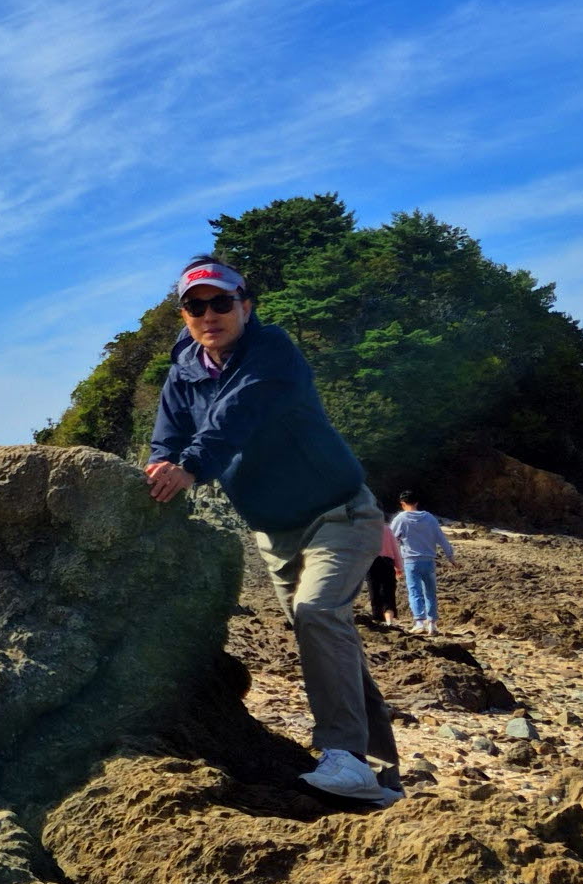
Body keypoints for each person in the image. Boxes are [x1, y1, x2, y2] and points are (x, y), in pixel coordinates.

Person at [145, 255, 401, 807]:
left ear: (245, 305)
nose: (209, 315)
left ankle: (344, 756)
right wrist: (160, 468)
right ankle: (379, 775)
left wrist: (191, 467)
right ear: (184, 315)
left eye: (221, 302)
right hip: (273, 532)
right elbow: (167, 436)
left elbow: (235, 416)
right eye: (195, 306)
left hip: (339, 513)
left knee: (317, 612)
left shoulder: (272, 351)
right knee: (326, 637)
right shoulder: (184, 369)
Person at [390, 489, 457, 635]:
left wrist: (393, 561)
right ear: (417, 502)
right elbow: (441, 539)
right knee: (430, 593)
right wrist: (450, 557)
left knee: (415, 592)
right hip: (429, 561)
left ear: (402, 503)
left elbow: (392, 539)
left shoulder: (400, 519)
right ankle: (432, 624)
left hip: (411, 561)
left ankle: (419, 622)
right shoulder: (430, 518)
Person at [366, 517, 403, 625]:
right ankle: (389, 621)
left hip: (371, 562)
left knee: (374, 591)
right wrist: (399, 567)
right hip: (387, 562)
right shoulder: (387, 529)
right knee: (388, 592)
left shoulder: (365, 529)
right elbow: (395, 549)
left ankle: (377, 619)